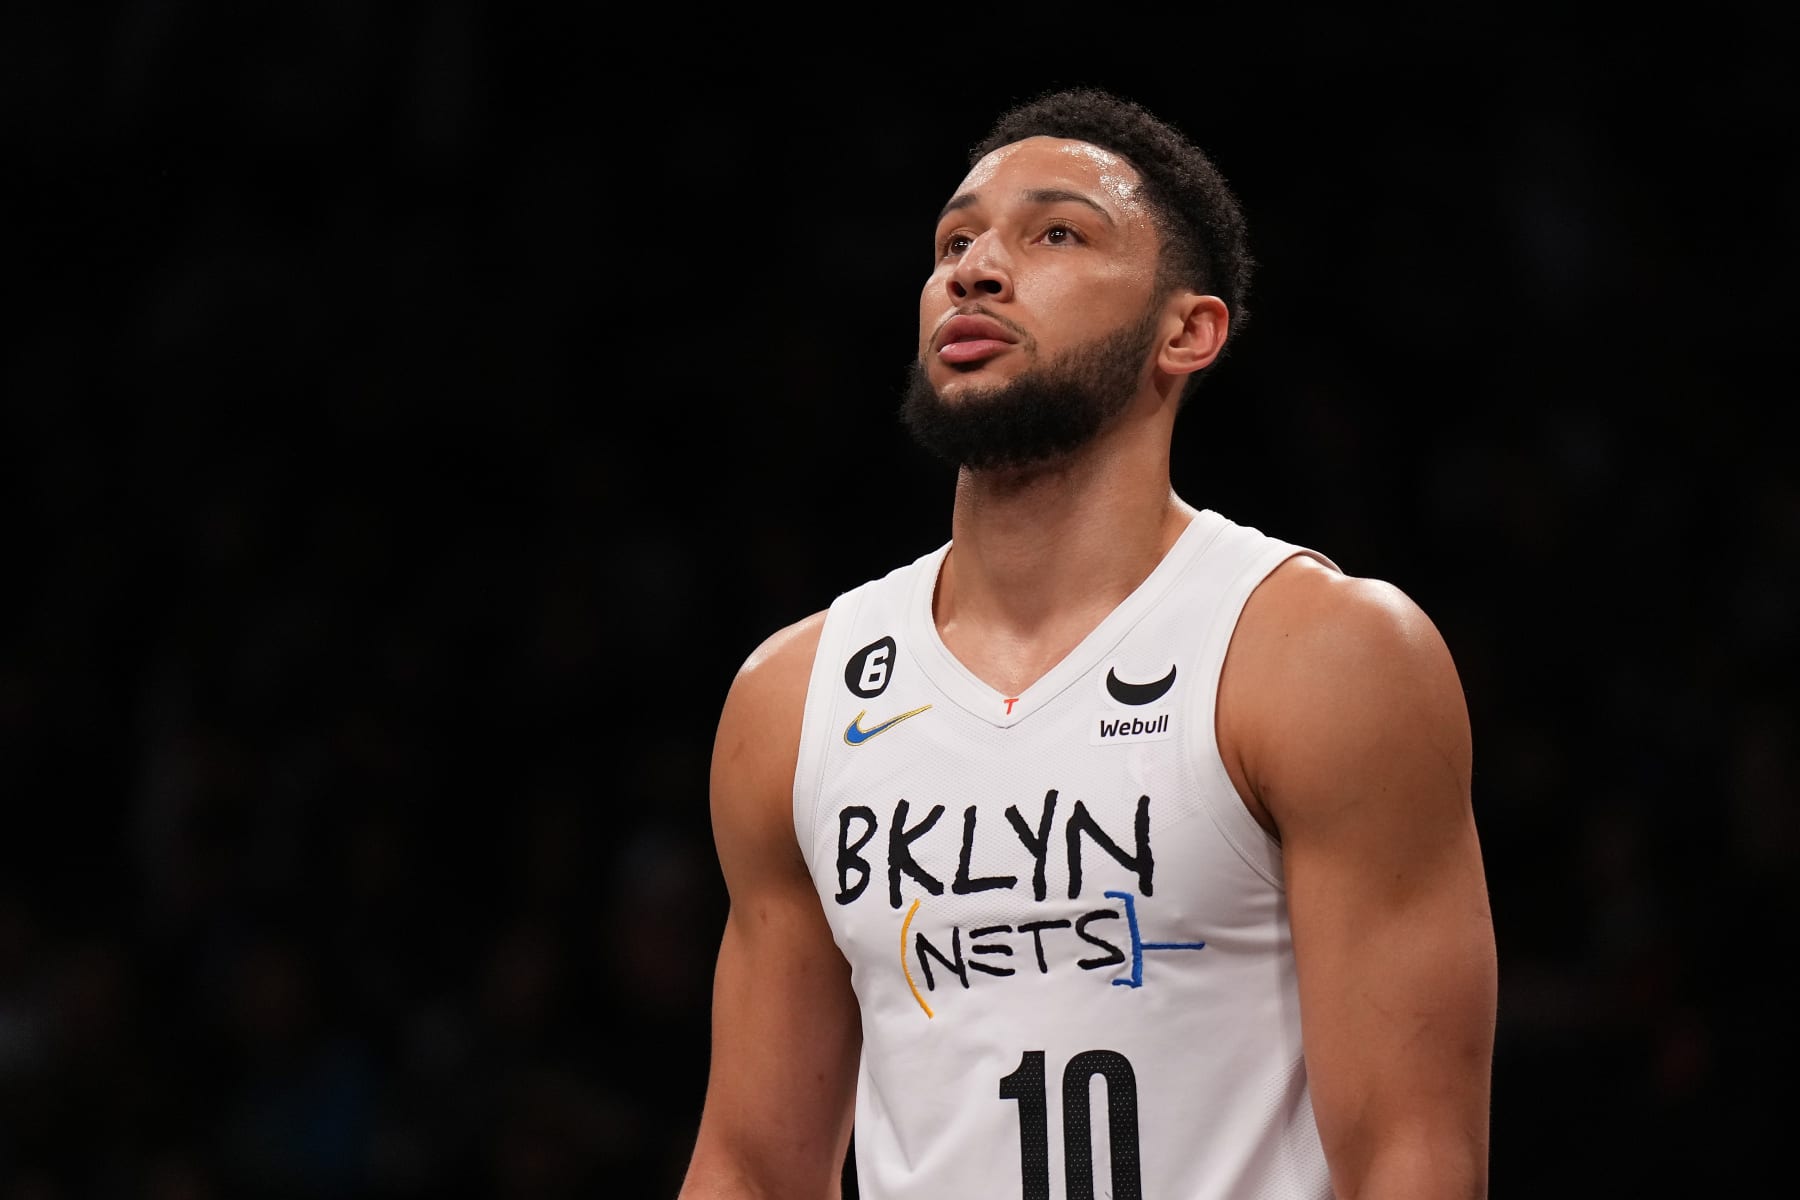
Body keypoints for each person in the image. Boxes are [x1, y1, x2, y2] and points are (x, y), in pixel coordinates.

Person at [677, 85, 1496, 1200]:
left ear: (1188, 331)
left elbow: (1413, 1157)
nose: (974, 267)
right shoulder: (794, 695)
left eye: (1056, 233)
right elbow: (753, 1169)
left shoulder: (1318, 653)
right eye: (954, 240)